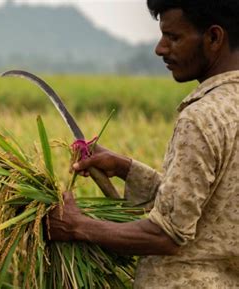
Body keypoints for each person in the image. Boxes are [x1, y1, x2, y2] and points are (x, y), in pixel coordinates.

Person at [47, 0, 239, 287]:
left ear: (213, 37)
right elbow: (201, 205)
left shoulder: (201, 117)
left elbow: (166, 234)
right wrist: (125, 168)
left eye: (173, 37)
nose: (160, 48)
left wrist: (76, 226)